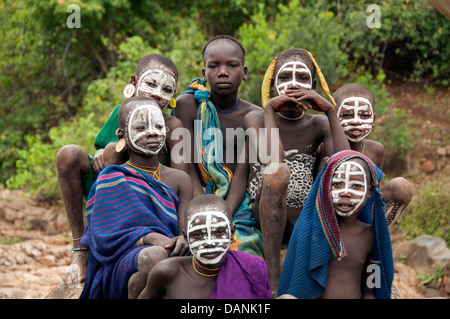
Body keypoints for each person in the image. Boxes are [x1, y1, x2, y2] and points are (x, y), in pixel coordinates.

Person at [56, 53, 185, 287]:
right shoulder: (121, 111)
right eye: (151, 83)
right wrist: (104, 152)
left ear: (173, 96)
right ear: (134, 82)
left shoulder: (173, 126)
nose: (157, 93)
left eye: (167, 89)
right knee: (70, 154)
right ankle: (82, 249)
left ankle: (127, 242)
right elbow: (105, 153)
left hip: (153, 202)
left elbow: (181, 177)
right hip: (110, 194)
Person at [244, 48, 350, 295]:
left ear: (313, 85)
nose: (293, 84)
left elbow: (345, 164)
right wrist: (270, 110)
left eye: (302, 78)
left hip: (304, 217)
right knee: (277, 174)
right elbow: (274, 161)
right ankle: (273, 280)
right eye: (284, 77)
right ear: (272, 86)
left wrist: (330, 111)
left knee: (328, 166)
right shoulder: (256, 118)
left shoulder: (318, 123)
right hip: (267, 215)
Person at [79, 96, 193, 299]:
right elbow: (100, 238)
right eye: (141, 126)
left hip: (168, 254)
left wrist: (182, 240)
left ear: (166, 131)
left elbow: (183, 233)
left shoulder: (180, 179)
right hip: (120, 261)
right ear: (121, 134)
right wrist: (148, 238)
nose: (152, 132)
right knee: (155, 256)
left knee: (145, 278)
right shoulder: (111, 177)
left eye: (158, 125)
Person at [174, 35, 264, 259]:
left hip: (236, 201)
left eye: (232, 65)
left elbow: (242, 175)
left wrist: (223, 213)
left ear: (244, 71)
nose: (223, 72)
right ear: (204, 73)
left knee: (242, 246)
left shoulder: (253, 116)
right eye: (214, 66)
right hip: (193, 193)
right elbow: (186, 165)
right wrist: (200, 204)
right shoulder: (188, 105)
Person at [278, 150, 395, 299]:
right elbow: (297, 282)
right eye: (338, 184)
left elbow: (371, 289)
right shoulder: (312, 231)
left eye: (356, 186)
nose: (345, 192)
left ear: (370, 192)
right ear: (326, 187)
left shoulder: (370, 236)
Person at [138, 194, 271, 299]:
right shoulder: (167, 272)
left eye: (219, 232)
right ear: (186, 238)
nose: (209, 242)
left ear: (231, 233)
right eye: (197, 234)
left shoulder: (251, 268)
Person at [333, 83, 413, 226]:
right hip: (332, 211)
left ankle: (375, 234)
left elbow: (375, 189)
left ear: (373, 120)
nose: (356, 121)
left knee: (402, 187)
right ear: (333, 118)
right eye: (346, 114)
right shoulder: (325, 147)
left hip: (363, 210)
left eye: (364, 115)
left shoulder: (376, 150)